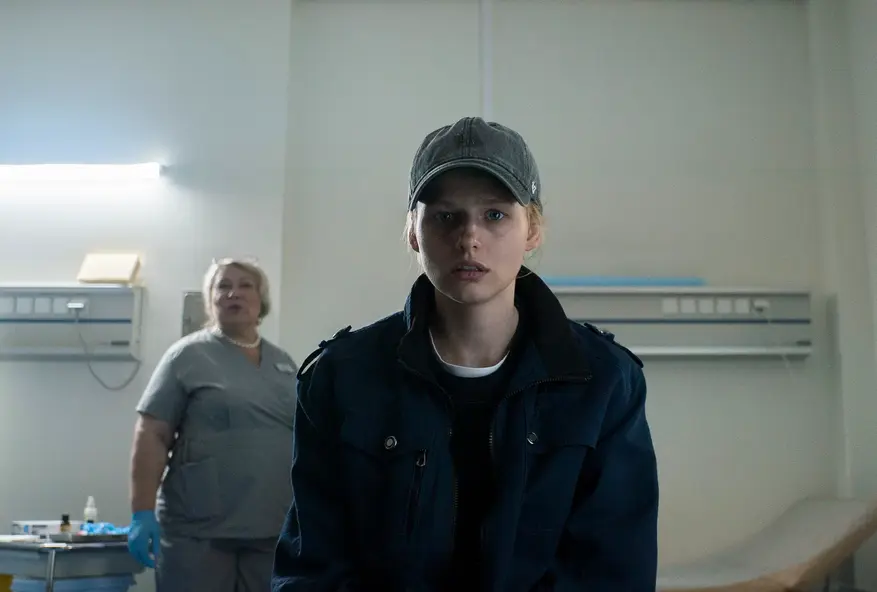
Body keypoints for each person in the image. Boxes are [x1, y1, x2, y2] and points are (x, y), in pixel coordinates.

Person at [273, 117, 659, 591]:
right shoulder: (342, 377)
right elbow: (314, 566)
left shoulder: (602, 381)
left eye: (494, 215)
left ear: (532, 230)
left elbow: (613, 570)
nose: (469, 238)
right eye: (445, 216)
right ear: (413, 232)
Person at [128, 258, 298, 592]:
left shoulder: (284, 363)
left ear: (261, 300)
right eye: (223, 286)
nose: (234, 293)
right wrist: (141, 512)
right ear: (210, 300)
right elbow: (152, 434)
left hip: (270, 528)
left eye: (245, 285)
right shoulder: (186, 357)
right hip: (198, 532)